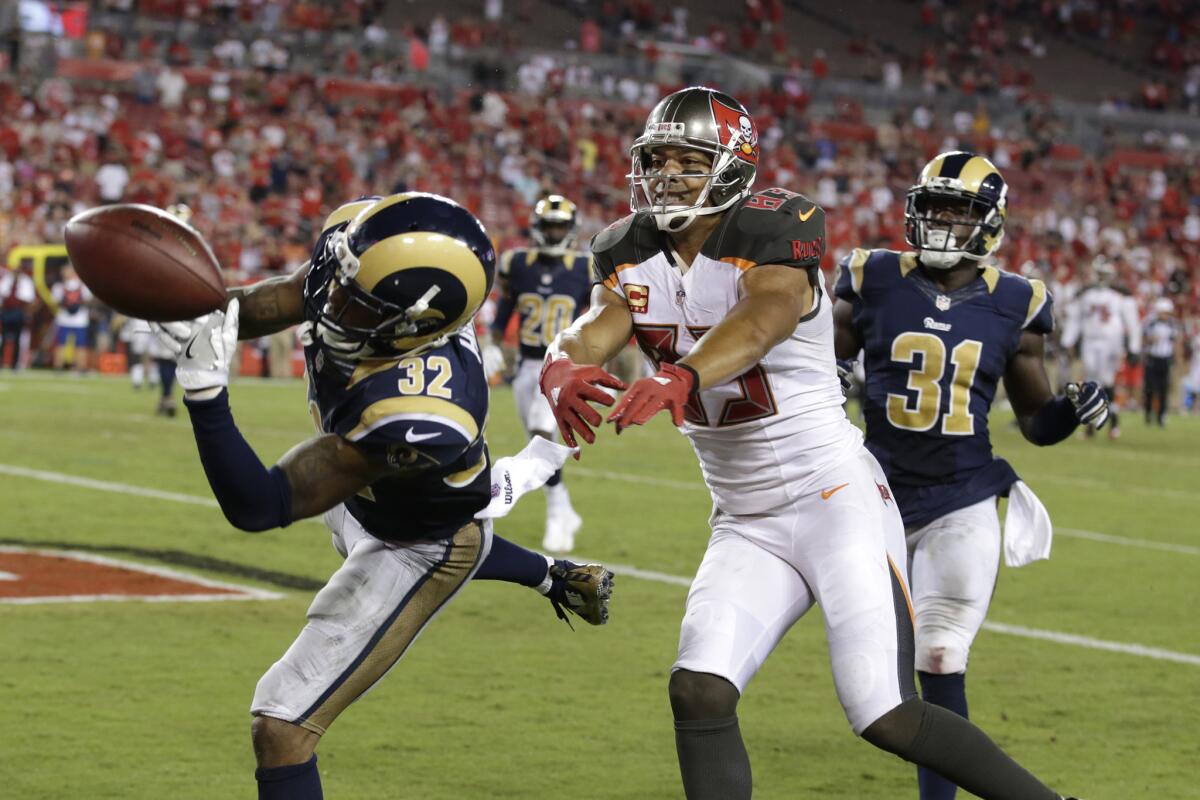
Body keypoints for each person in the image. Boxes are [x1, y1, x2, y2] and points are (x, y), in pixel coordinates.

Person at [539, 86, 1083, 800]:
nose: (668, 175)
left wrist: (682, 377)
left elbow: (766, 315)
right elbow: (599, 322)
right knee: (699, 690)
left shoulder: (775, 229)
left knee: (882, 712)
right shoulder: (627, 249)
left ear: (732, 166)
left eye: (689, 159)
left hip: (833, 498)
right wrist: (561, 362)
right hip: (745, 519)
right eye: (658, 159)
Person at [154, 193, 613, 799]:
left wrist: (205, 389)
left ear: (413, 327)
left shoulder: (420, 413)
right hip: (389, 496)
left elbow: (261, 505)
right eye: (342, 281)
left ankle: (550, 575)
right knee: (403, 515)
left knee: (282, 725)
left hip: (418, 542)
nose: (332, 304)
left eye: (356, 304)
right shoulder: (366, 248)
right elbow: (298, 291)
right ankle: (555, 576)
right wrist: (212, 313)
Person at [831, 151, 1109, 800]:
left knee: (940, 655)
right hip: (874, 497)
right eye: (932, 208)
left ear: (989, 223)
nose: (939, 222)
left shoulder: (1018, 301)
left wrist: (1072, 408)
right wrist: (828, 373)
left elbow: (1036, 420)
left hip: (963, 497)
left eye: (957, 211)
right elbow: (820, 362)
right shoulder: (871, 275)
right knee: (875, 684)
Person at [486, 194, 592, 552]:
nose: (554, 231)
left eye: (560, 226)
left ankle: (555, 512)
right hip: (527, 365)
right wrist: (493, 345)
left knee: (541, 431)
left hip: (561, 364)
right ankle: (561, 506)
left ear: (571, 229)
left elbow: (599, 317)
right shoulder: (517, 263)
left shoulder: (585, 266)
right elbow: (503, 312)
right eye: (550, 225)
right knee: (536, 439)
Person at [1060, 257, 1140, 438]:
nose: (1102, 278)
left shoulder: (1120, 296)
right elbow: (1075, 321)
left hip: (1111, 342)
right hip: (1090, 340)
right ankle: (1093, 424)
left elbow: (1133, 324)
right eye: (1100, 274)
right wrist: (1067, 342)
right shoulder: (1086, 295)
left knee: (1107, 380)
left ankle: (1111, 422)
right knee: (1092, 382)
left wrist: (1134, 347)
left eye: (1105, 274)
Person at [1142, 297, 1180, 427]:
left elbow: (1175, 342)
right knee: (1149, 388)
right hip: (1152, 357)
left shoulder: (1173, 324)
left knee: (1164, 389)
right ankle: (1148, 413)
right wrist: (1150, 339)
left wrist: (1176, 359)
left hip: (1165, 359)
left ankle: (1161, 416)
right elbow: (1143, 340)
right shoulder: (1149, 322)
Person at [50, 264, 93, 372]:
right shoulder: (60, 286)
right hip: (66, 319)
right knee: (62, 344)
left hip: (78, 319)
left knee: (79, 344)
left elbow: (55, 302)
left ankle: (80, 366)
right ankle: (59, 366)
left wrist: (72, 302)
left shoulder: (80, 286)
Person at [0, 264, 36, 369]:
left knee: (18, 338)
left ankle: (15, 363)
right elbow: (3, 296)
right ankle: (3, 362)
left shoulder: (26, 282)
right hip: (6, 312)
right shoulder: (6, 280)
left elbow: (30, 300)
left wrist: (27, 313)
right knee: (4, 337)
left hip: (19, 312)